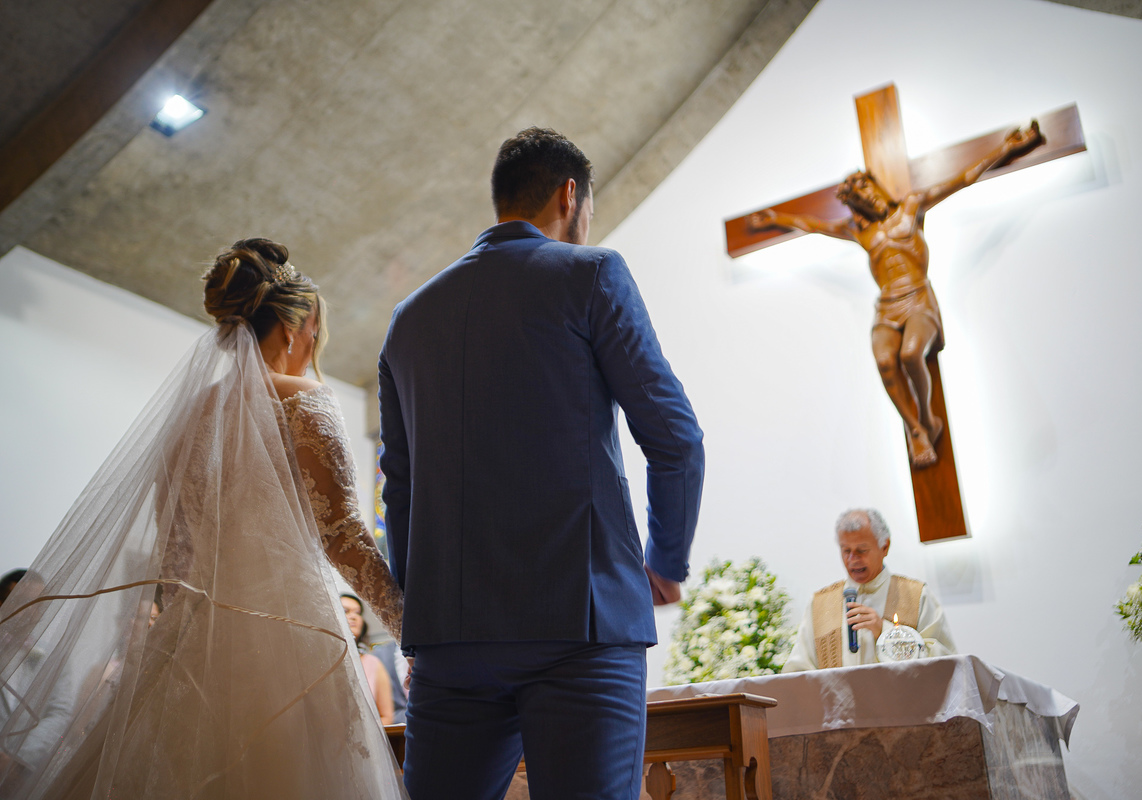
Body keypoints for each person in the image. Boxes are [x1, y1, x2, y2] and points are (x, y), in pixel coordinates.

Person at [0, 239, 408, 799]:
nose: (314, 342)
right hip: (291, 635)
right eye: (314, 330)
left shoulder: (188, 417)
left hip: (194, 639)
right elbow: (342, 534)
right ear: (294, 327)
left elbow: (174, 556)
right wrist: (408, 624)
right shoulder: (306, 399)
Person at [378, 127, 705, 800]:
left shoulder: (408, 321)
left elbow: (400, 491)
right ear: (570, 195)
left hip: (451, 643)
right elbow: (674, 437)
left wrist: (423, 621)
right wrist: (665, 560)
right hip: (578, 630)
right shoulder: (590, 274)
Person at [748, 123, 1043, 468]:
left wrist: (1006, 149)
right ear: (855, 205)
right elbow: (813, 224)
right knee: (885, 363)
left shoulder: (912, 207)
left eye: (869, 188)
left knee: (911, 352)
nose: (869, 197)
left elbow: (963, 178)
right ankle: (917, 428)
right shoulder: (859, 232)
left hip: (918, 298)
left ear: (877, 186)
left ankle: (927, 420)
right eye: (861, 196)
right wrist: (776, 218)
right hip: (886, 307)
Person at [783, 508, 955, 671]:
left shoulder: (916, 595)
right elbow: (798, 670)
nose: (852, 559)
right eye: (846, 550)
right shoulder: (820, 604)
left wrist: (885, 632)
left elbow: (945, 661)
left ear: (885, 547)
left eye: (861, 550)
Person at [341, 593, 394, 724]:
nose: (354, 617)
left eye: (358, 612)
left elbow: (387, 717)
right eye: (345, 611)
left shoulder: (373, 663)